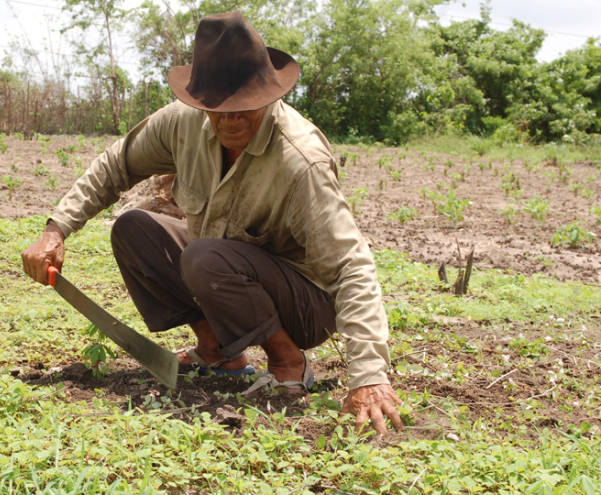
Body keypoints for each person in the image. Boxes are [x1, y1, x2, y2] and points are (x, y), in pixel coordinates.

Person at [22, 11, 404, 434]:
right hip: (223, 266)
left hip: (304, 300)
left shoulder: (300, 160)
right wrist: (57, 229)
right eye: (217, 108)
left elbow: (351, 265)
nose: (230, 119)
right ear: (200, 101)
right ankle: (220, 352)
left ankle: (288, 361)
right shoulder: (183, 124)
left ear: (267, 94)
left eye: (243, 107)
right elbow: (116, 163)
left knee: (206, 257)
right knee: (134, 229)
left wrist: (369, 374)